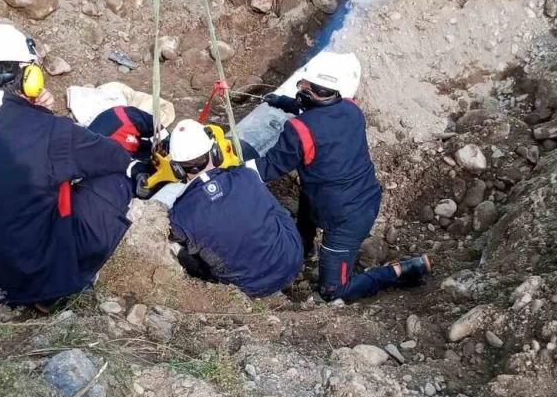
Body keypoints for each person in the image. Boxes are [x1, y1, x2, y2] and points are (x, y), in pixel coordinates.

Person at [0, 24, 138, 311]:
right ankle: (57, 286)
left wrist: (36, 114)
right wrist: (43, 115)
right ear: (30, 77)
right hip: (29, 280)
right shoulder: (53, 131)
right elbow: (115, 157)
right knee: (115, 180)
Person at [246, 52, 432, 302]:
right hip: (359, 198)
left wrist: (228, 164)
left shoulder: (300, 131)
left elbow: (267, 169)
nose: (300, 88)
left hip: (345, 220)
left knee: (333, 292)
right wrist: (281, 102)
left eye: (304, 85)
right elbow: (316, 113)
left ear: (315, 91)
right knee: (307, 196)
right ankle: (305, 246)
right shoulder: (350, 108)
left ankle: (400, 271)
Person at [167, 119, 303, 297]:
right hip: (292, 260)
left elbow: (176, 234)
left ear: (176, 169)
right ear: (216, 153)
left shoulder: (180, 215)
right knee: (275, 211)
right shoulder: (247, 176)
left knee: (185, 253)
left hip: (249, 288)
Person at [89, 105, 167, 160]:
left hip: (121, 129)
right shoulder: (109, 153)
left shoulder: (126, 116)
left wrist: (165, 141)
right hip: (117, 150)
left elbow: (157, 128)